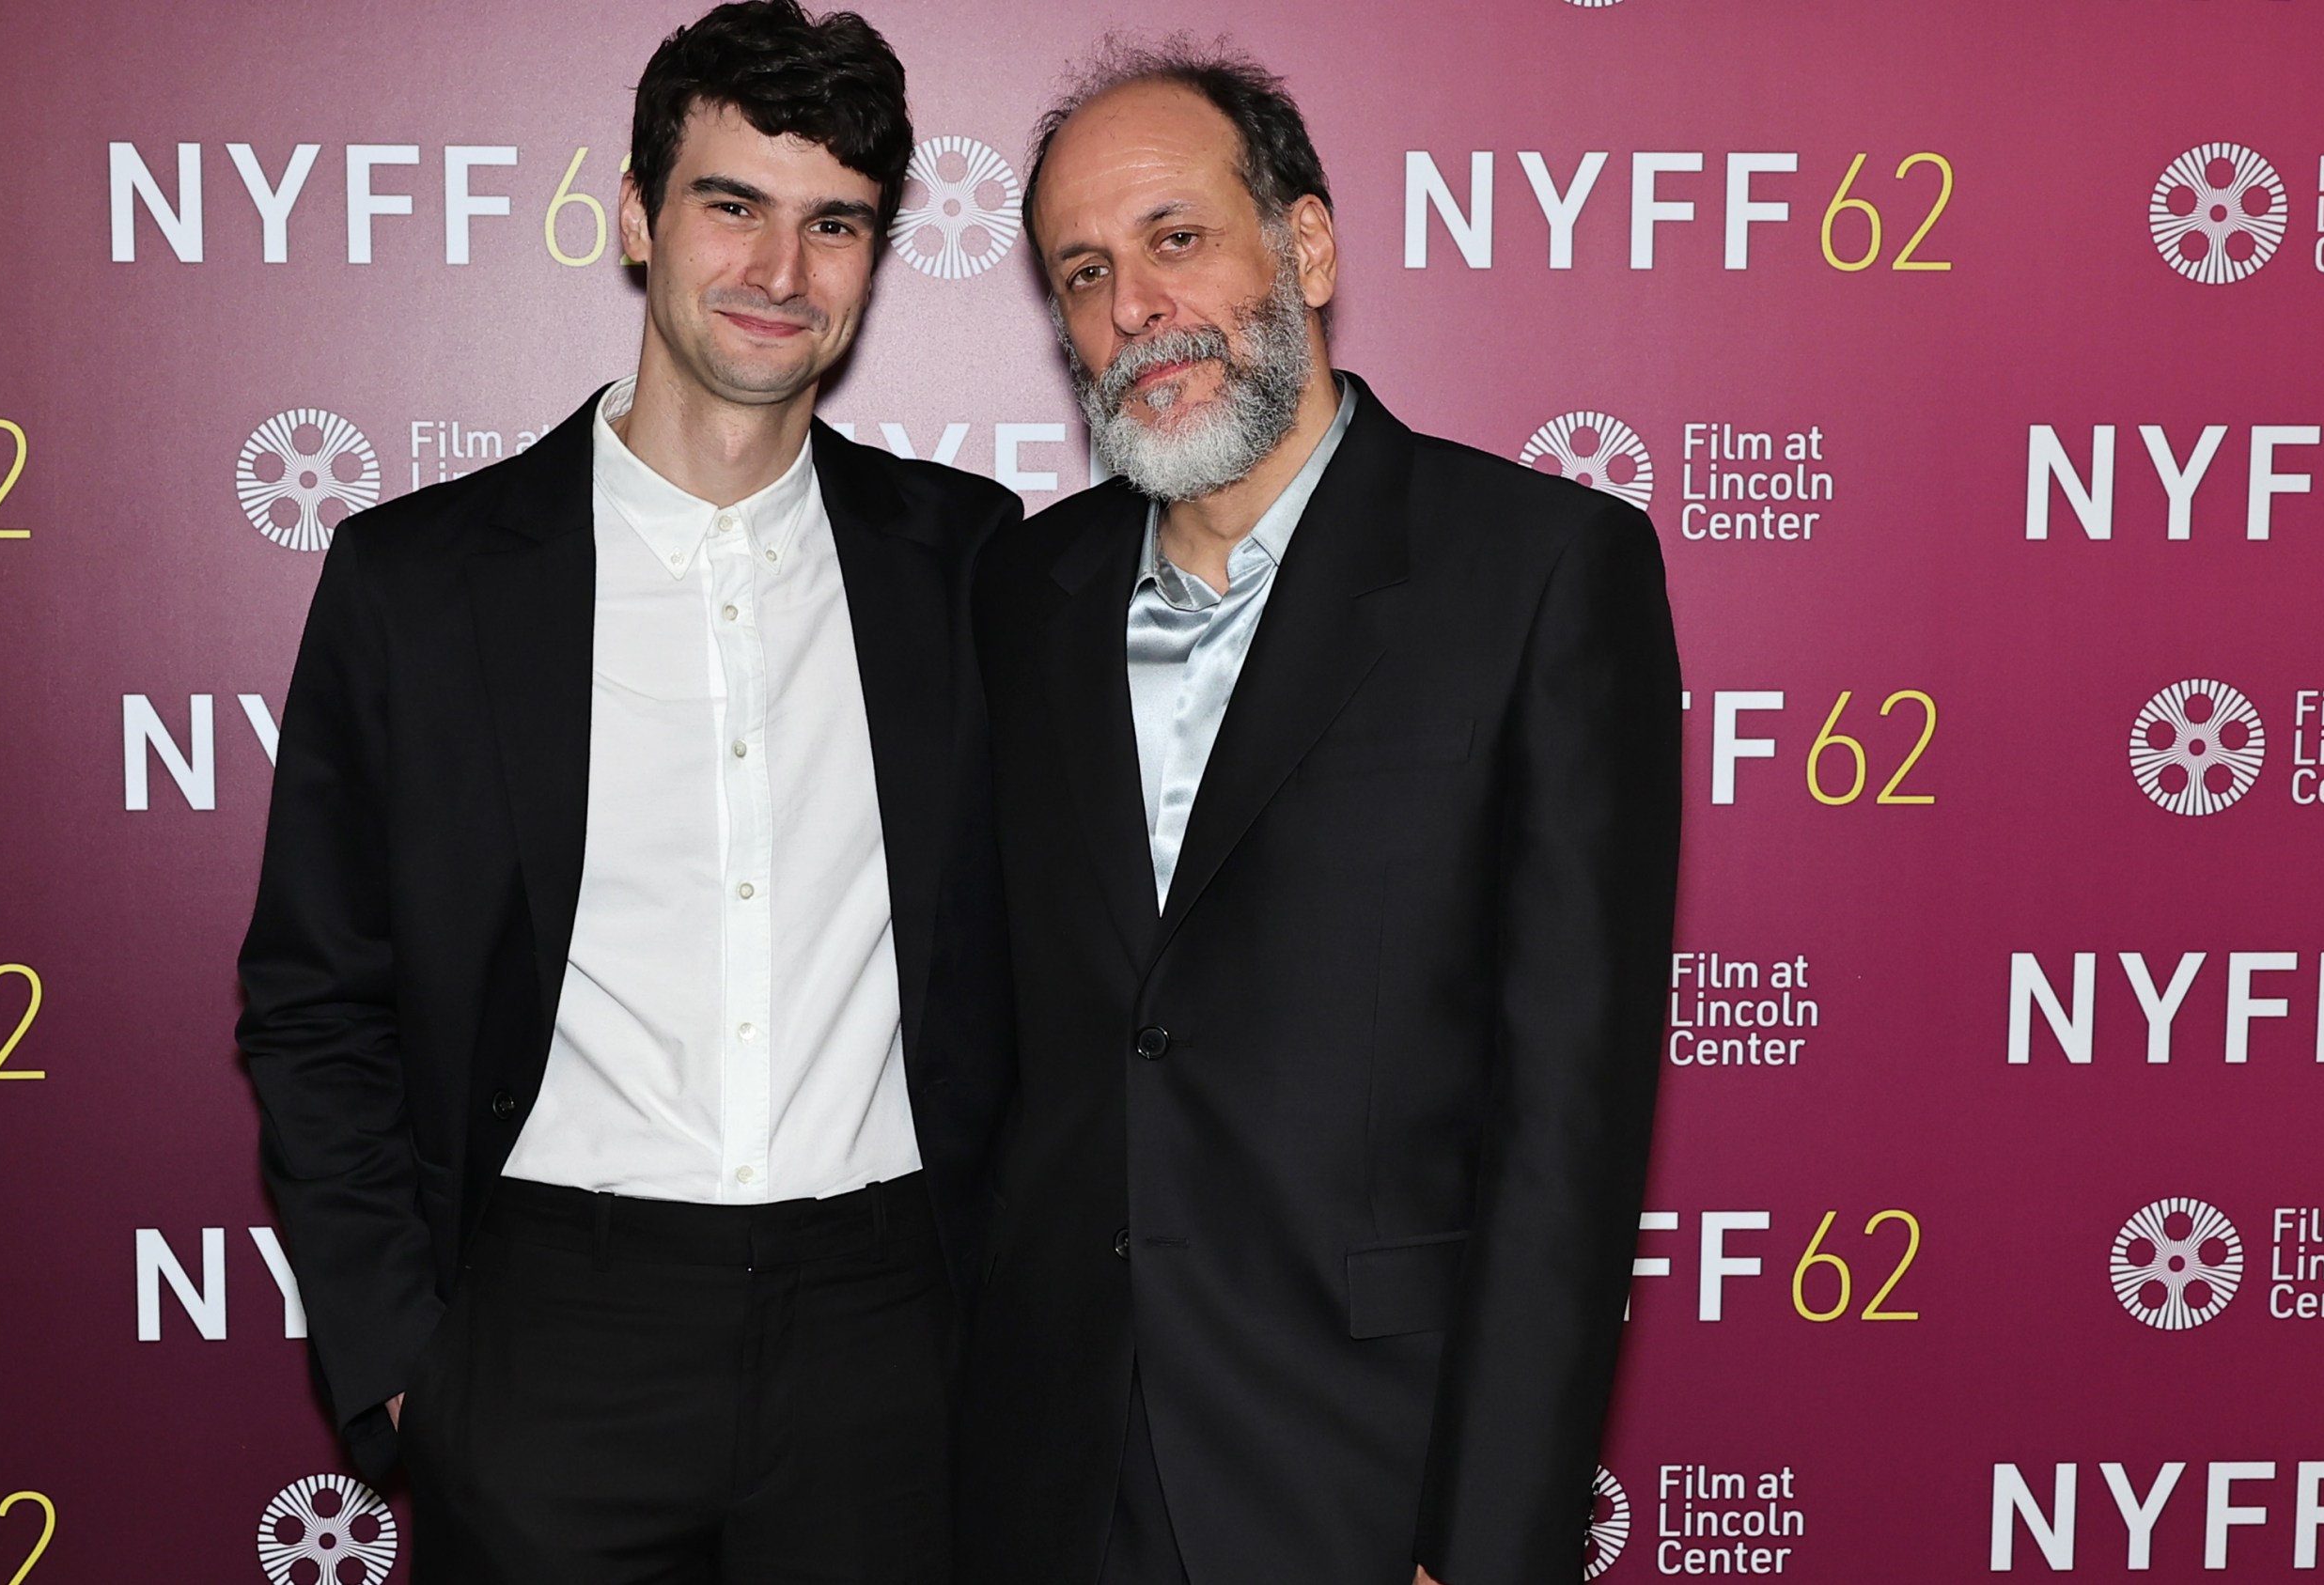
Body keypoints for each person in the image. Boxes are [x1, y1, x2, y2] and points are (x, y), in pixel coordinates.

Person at [235, 4, 1015, 1578]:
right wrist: (402, 1363)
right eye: (733, 206)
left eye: (834, 225)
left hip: (890, 1340)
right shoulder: (421, 581)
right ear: (637, 217)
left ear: (876, 255)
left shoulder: (972, 563)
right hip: (548, 1341)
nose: (780, 274)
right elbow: (316, 997)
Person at [959, 39, 1683, 1585]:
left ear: (1306, 246)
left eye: (1176, 240)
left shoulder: (1541, 573)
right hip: (1050, 1475)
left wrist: (1482, 1544)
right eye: (1082, 272)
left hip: (1362, 1473)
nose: (1134, 309)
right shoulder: (1026, 593)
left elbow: (1570, 1123)